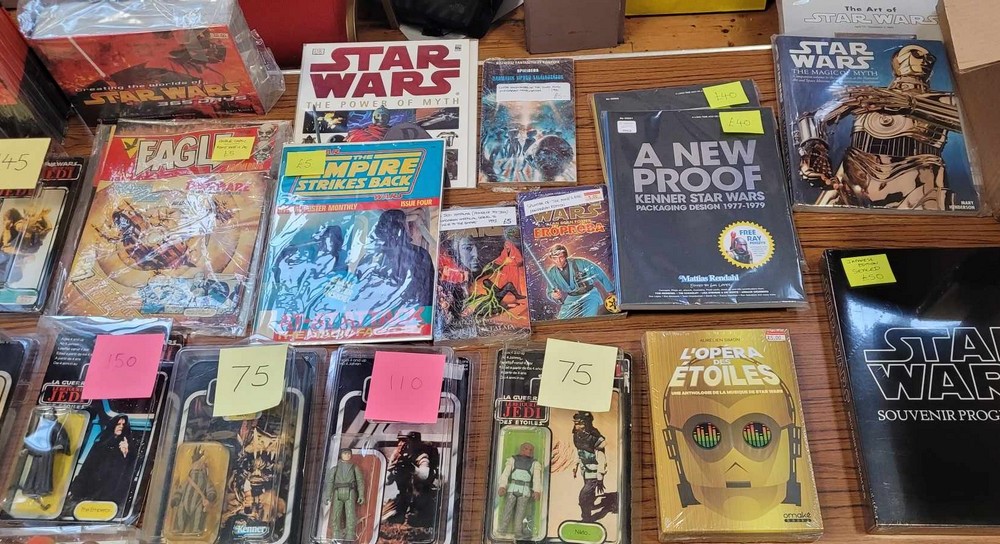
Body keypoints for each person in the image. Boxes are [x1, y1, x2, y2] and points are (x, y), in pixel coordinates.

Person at [68, 415, 137, 505]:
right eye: (118, 424)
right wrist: (76, 489)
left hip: (111, 496)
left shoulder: (129, 448)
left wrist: (125, 454)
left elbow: (128, 472)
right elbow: (87, 468)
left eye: (123, 425)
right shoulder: (100, 445)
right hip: (91, 491)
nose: (121, 426)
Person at [545, 245, 614, 319]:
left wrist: (611, 291)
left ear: (565, 256)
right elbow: (550, 291)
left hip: (590, 295)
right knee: (561, 320)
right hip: (572, 298)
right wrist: (553, 295)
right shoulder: (551, 273)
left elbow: (599, 273)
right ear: (552, 259)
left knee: (589, 319)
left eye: (561, 257)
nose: (558, 261)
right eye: (555, 258)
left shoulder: (580, 263)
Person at [385, 431, 439, 527]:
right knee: (386, 518)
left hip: (421, 497)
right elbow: (387, 481)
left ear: (414, 443)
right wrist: (393, 470)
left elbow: (424, 475)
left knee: (418, 522)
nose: (401, 444)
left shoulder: (422, 456)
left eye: (405, 441)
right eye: (400, 441)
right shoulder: (396, 455)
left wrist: (413, 469)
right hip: (403, 496)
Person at [20, 409, 71, 507]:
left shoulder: (57, 426)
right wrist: (26, 449)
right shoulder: (41, 427)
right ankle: (30, 488)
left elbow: (63, 438)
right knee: (34, 470)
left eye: (50, 413)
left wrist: (58, 446)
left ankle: (43, 489)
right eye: (47, 414)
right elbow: (34, 440)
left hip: (47, 453)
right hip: (38, 452)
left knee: (44, 471)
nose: (48, 415)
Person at [496, 442, 542, 538]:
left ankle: (518, 531)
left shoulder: (535, 463)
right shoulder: (512, 460)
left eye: (531, 450)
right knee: (507, 510)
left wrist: (537, 491)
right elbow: (505, 474)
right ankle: (502, 529)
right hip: (512, 489)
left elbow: (537, 479)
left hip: (525, 491)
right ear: (521, 449)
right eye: (526, 448)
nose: (528, 451)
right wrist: (502, 486)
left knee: (520, 513)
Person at [572, 411, 612, 522]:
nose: (577, 426)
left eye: (580, 423)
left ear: (586, 423)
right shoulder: (577, 436)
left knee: (583, 496)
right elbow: (579, 451)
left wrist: (600, 477)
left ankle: (586, 518)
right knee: (589, 492)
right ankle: (590, 505)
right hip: (585, 470)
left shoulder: (595, 438)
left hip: (594, 472)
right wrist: (576, 465)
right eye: (576, 423)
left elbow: (601, 458)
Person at [324, 448, 366, 541]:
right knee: (335, 514)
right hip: (337, 492)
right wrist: (328, 495)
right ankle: (335, 534)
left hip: (350, 492)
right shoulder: (335, 469)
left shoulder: (355, 468)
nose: (347, 455)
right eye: (345, 453)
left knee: (350, 514)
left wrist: (361, 495)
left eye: (349, 453)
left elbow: (360, 481)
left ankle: (350, 534)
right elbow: (330, 482)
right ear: (341, 455)